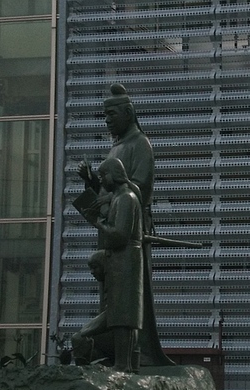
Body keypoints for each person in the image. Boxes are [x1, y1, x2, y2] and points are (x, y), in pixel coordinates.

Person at [77, 83, 174, 367]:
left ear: (128, 113)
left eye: (112, 114)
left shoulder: (140, 144)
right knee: (111, 295)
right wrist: (92, 182)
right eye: (104, 115)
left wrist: (112, 196)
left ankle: (135, 355)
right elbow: (110, 186)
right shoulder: (116, 146)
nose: (106, 120)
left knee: (130, 299)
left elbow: (140, 188)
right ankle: (111, 352)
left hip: (128, 230)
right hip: (110, 229)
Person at [71, 157, 143, 372]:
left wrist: (97, 222)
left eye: (103, 176)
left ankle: (123, 364)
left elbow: (120, 235)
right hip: (120, 259)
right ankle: (123, 363)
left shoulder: (126, 198)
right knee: (120, 312)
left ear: (114, 174)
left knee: (123, 314)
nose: (101, 180)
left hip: (125, 259)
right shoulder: (118, 198)